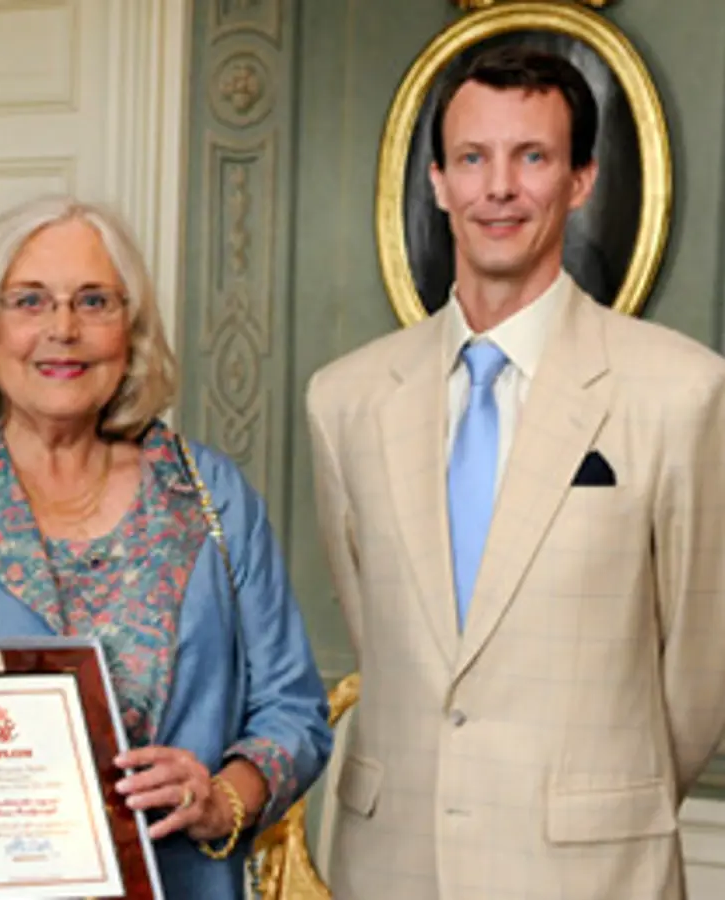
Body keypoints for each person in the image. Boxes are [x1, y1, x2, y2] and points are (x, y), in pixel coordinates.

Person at [0, 194, 332, 899]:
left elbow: (292, 711)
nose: (63, 329)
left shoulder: (210, 496)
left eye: (94, 302)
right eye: (29, 301)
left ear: (131, 329)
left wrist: (219, 800)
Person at [307, 45, 725, 900]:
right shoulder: (344, 400)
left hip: (592, 870)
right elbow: (387, 636)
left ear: (580, 180)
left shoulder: (682, 392)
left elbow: (699, 669)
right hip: (392, 867)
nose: (498, 188)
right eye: (473, 158)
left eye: (531, 157)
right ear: (437, 182)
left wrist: (603, 805)